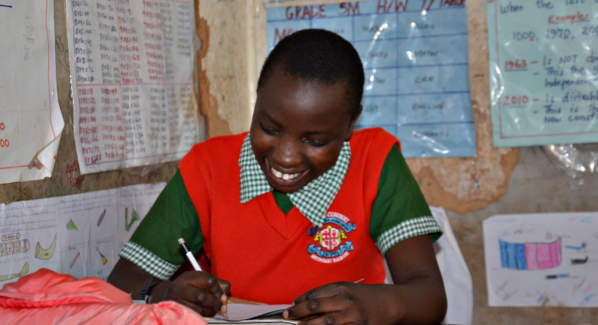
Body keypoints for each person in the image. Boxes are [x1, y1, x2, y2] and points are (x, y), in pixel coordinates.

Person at [108, 29, 447, 324]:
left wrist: (381, 305)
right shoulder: (207, 168)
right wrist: (164, 291)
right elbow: (122, 279)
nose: (285, 157)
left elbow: (430, 295)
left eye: (315, 141)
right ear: (257, 103)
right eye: (269, 128)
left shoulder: (376, 161)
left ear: (350, 124)